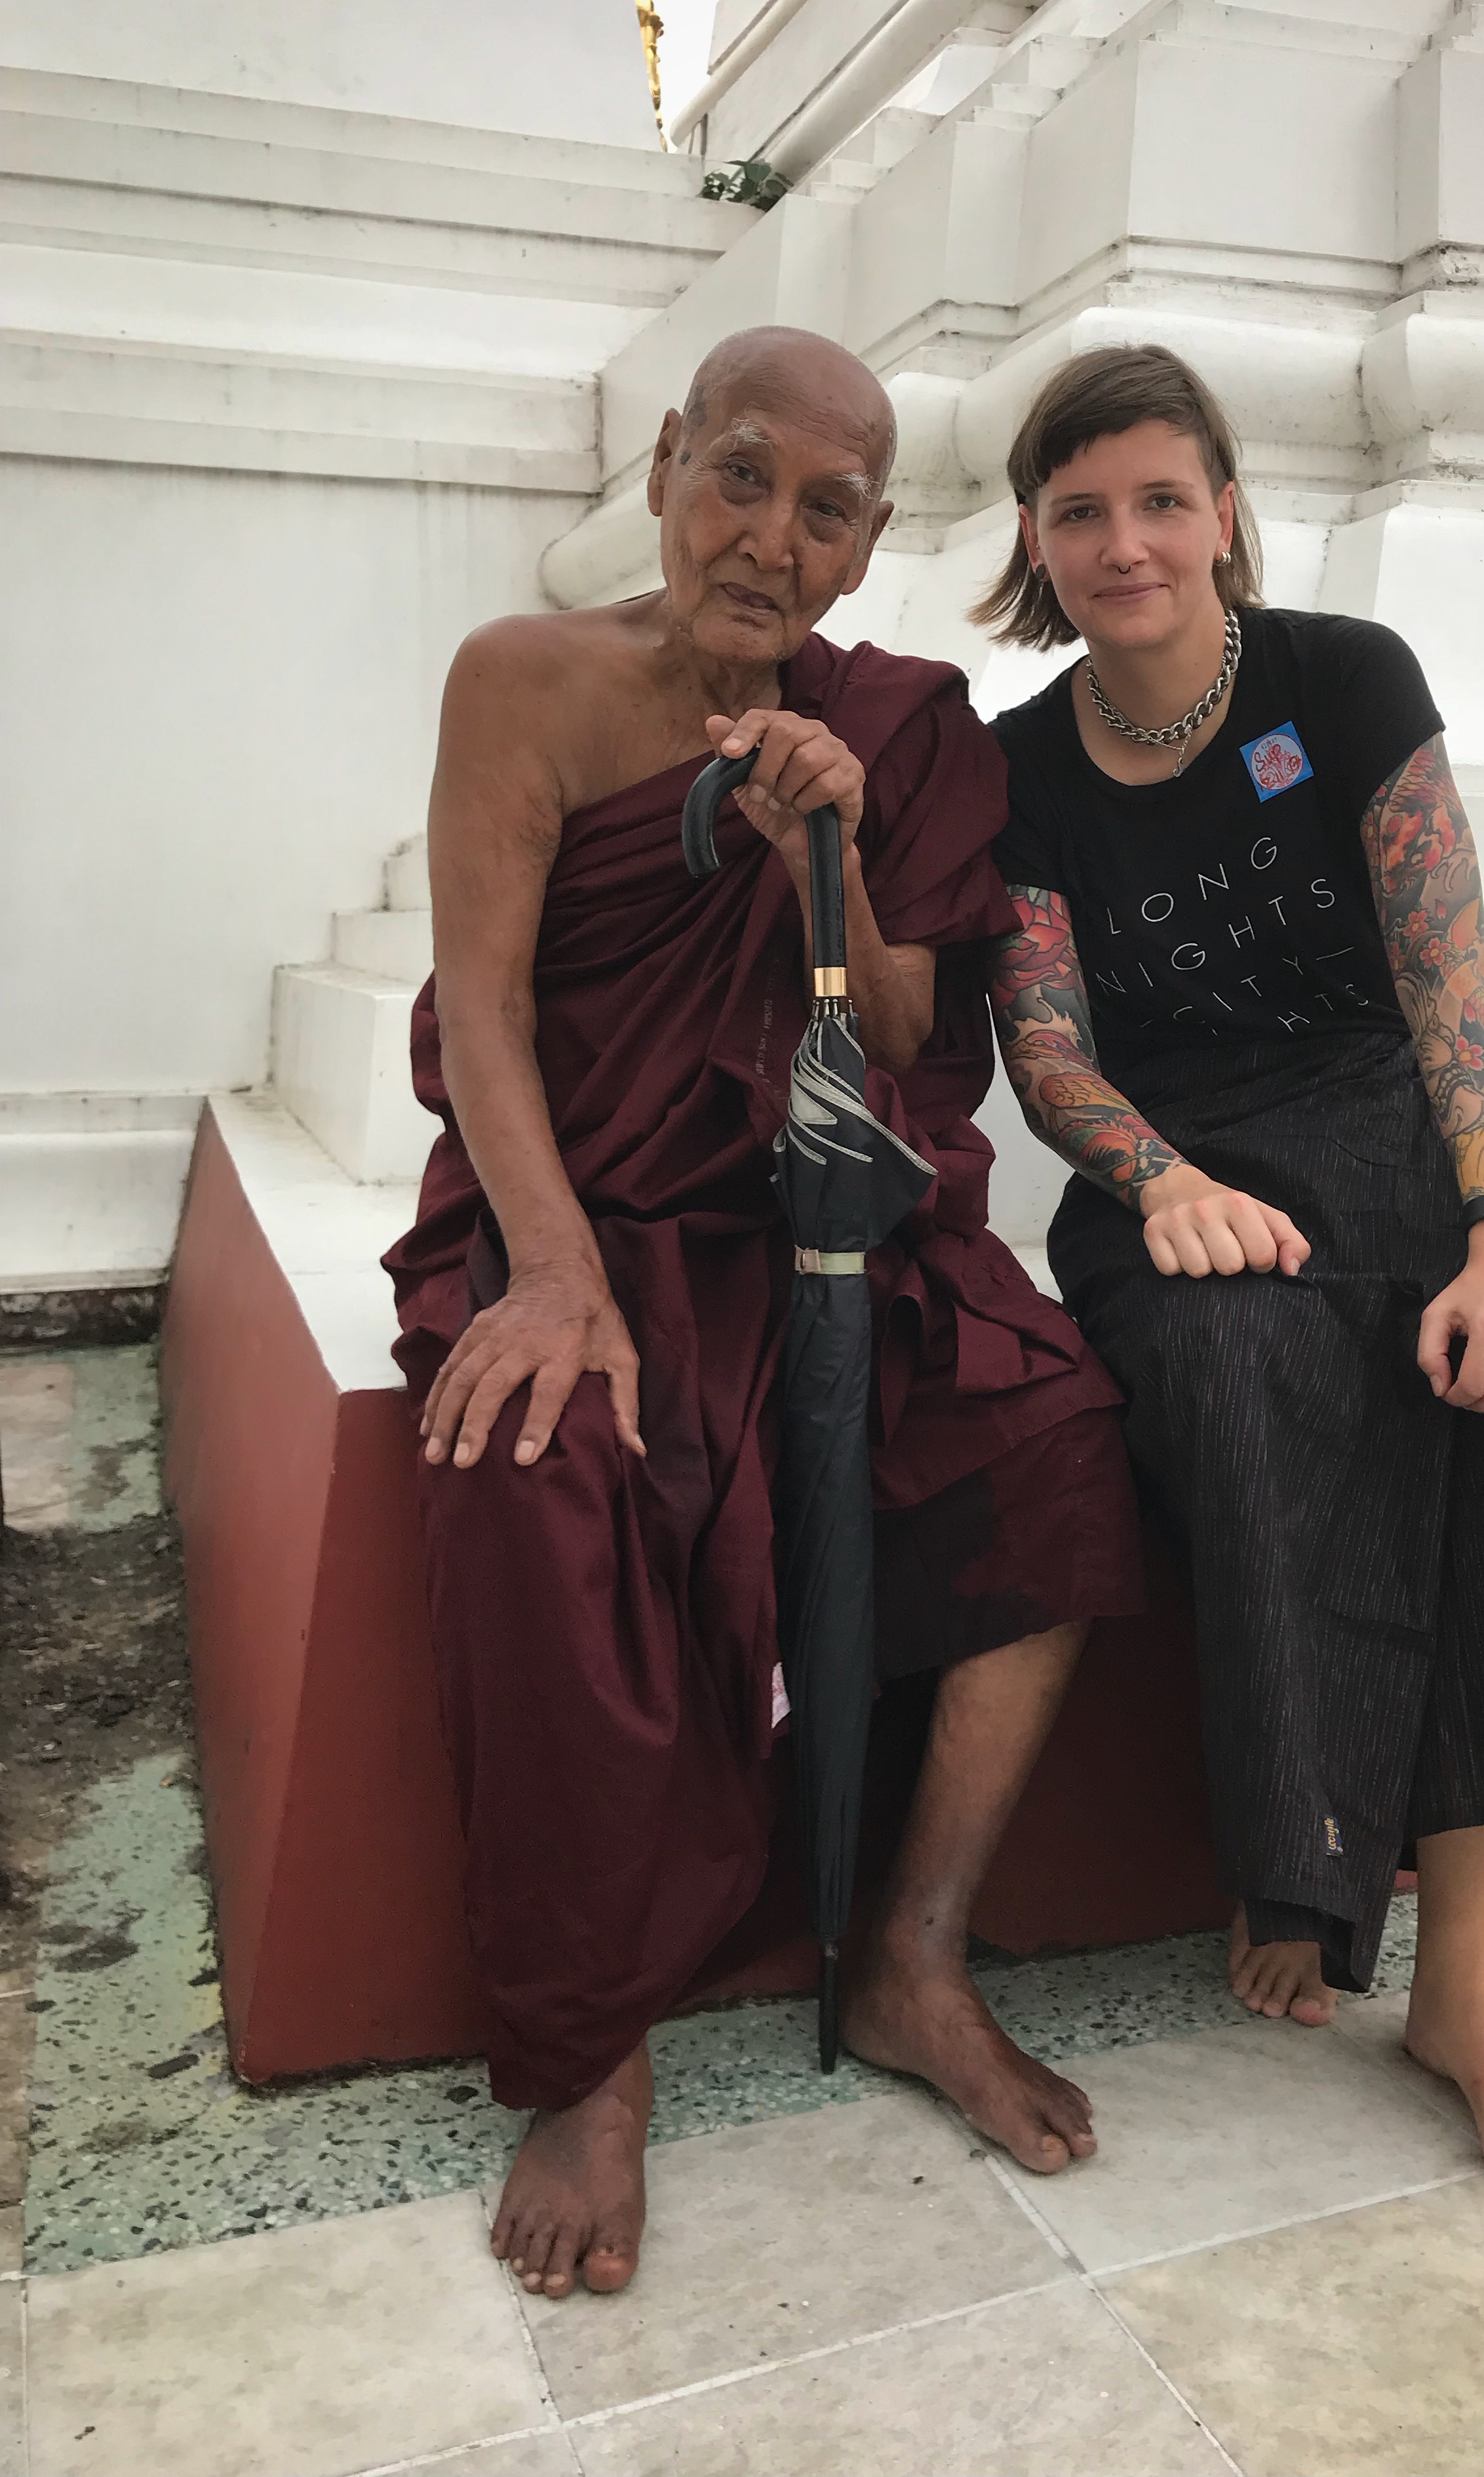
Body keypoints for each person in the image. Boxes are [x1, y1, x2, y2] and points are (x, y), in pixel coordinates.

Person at [383, 325, 1144, 2302]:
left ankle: (914, 1953)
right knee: (533, 1459)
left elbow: (900, 1029)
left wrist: (835, 851)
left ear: (868, 544)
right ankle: (594, 2054)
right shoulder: (522, 682)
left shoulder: (892, 728)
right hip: (582, 1208)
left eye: (825, 511)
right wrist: (556, 1271)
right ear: (664, 465)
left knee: (1055, 1434)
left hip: (811, 1215)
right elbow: (485, 1009)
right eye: (739, 476)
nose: (769, 540)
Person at [980, 344, 1484, 2232]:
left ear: (1226, 510)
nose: (1127, 544)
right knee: (1233, 1361)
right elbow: (1048, 1044)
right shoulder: (1020, 766)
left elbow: (1447, 982)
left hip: (1390, 1126)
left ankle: (1464, 1990)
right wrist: (1164, 1184)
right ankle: (1310, 1853)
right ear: (1035, 537)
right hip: (1170, 1165)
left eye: (1161, 500)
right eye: (1082, 511)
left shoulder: (1342, 682)